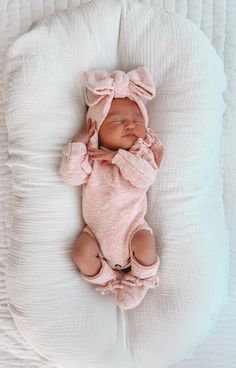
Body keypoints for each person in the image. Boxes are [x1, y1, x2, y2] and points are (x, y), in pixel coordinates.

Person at [59, 66, 165, 310]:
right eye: (118, 121)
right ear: (96, 128)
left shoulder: (139, 154)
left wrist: (117, 157)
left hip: (133, 229)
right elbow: (71, 176)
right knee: (81, 252)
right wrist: (78, 145)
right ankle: (113, 281)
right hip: (96, 235)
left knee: (146, 244)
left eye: (137, 121)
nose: (130, 126)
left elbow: (145, 178)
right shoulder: (93, 158)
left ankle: (140, 281)